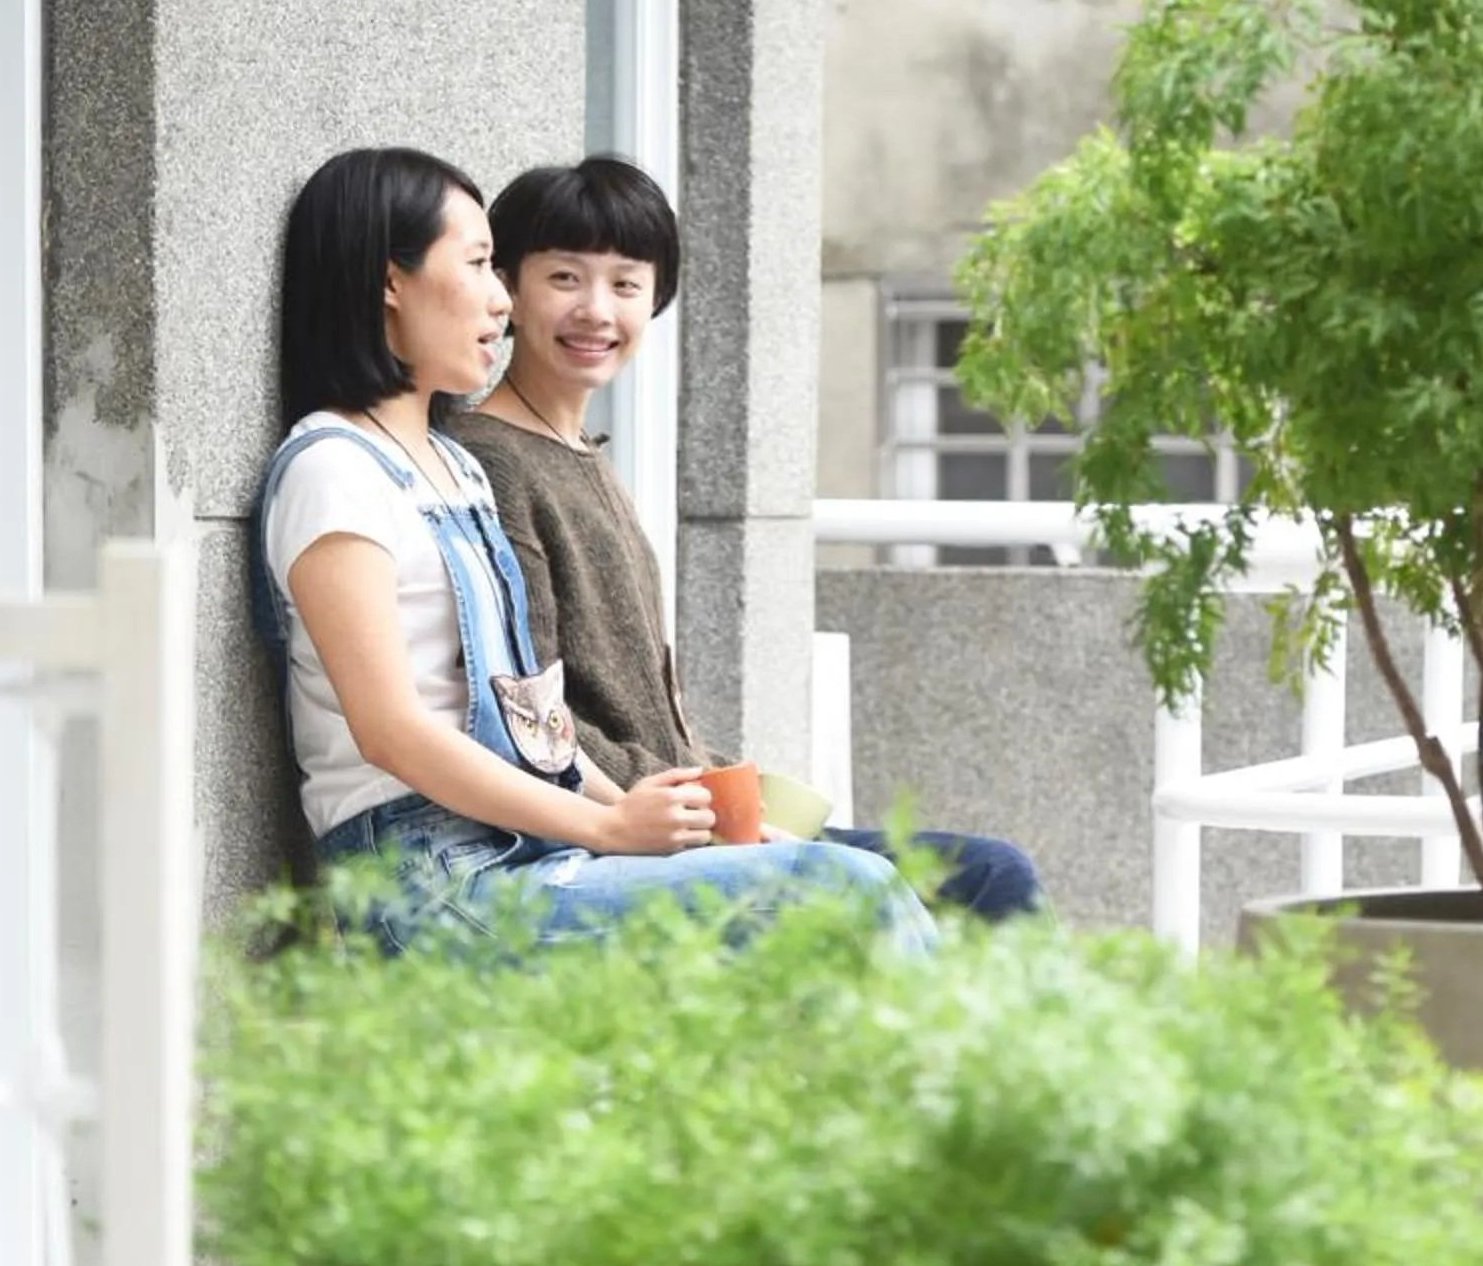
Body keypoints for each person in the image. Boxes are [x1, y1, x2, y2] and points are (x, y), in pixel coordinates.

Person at [248, 145, 933, 953]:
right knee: (844, 895)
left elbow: (534, 716)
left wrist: (662, 825)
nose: (502, 301)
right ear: (390, 282)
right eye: (478, 265)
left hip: (526, 845)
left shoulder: (455, 468)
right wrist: (607, 826)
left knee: (842, 886)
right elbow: (390, 730)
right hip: (429, 883)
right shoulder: (333, 469)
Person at [444, 155, 1045, 921]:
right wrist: (697, 805)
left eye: (626, 284)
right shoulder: (491, 460)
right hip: (632, 835)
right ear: (509, 291)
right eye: (565, 278)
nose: (597, 310)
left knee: (987, 875)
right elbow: (532, 709)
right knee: (984, 883)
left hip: (693, 810)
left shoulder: (581, 454)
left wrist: (731, 784)